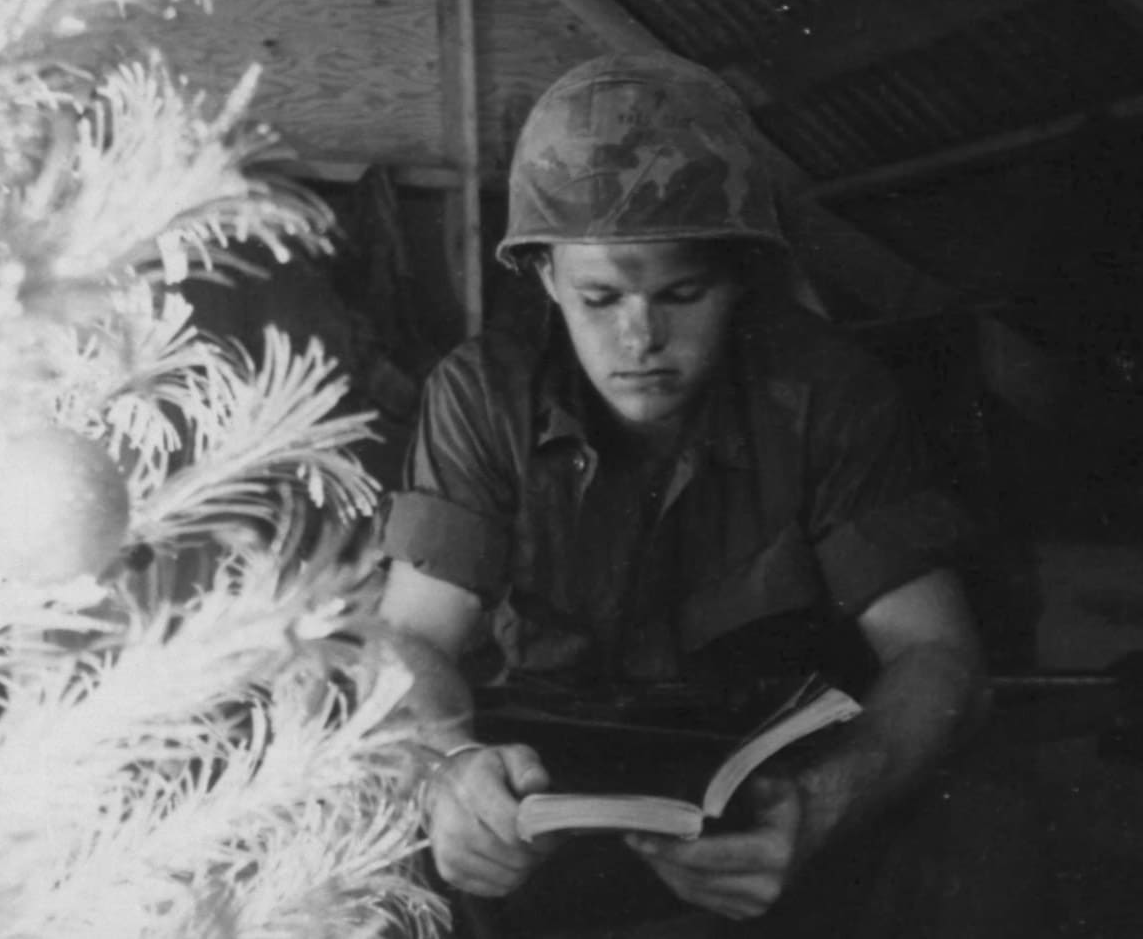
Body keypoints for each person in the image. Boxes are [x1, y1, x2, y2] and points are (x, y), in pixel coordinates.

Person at [376, 53, 1042, 937]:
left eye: (682, 293)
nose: (639, 337)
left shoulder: (830, 393)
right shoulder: (481, 393)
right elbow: (411, 634)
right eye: (599, 296)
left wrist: (825, 803)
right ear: (543, 276)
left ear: (737, 277)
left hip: (764, 765)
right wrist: (447, 768)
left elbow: (938, 653)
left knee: (987, 833)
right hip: (543, 762)